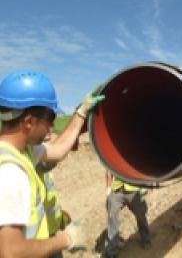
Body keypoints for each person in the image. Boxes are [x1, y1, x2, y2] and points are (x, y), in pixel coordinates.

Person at [0, 70, 104, 257]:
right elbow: (11, 252)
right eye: (50, 119)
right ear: (28, 121)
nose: (51, 128)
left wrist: (81, 112)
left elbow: (58, 149)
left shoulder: (22, 150)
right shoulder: (10, 173)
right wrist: (66, 240)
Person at [104, 171, 151, 258]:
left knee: (140, 215)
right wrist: (108, 189)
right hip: (117, 190)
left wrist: (144, 186)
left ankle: (146, 239)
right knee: (112, 217)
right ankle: (111, 251)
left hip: (134, 190)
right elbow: (108, 171)